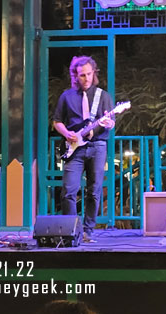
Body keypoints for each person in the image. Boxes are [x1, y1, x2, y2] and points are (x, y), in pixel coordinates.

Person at [53, 56, 115, 242]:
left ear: (94, 73)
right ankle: (72, 229)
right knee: (69, 189)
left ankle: (88, 230)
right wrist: (67, 134)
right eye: (82, 75)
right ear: (75, 76)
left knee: (94, 190)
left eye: (89, 74)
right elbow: (57, 121)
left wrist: (109, 122)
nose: (86, 78)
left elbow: (110, 123)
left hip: (97, 146)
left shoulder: (103, 96)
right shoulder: (67, 96)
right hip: (75, 148)